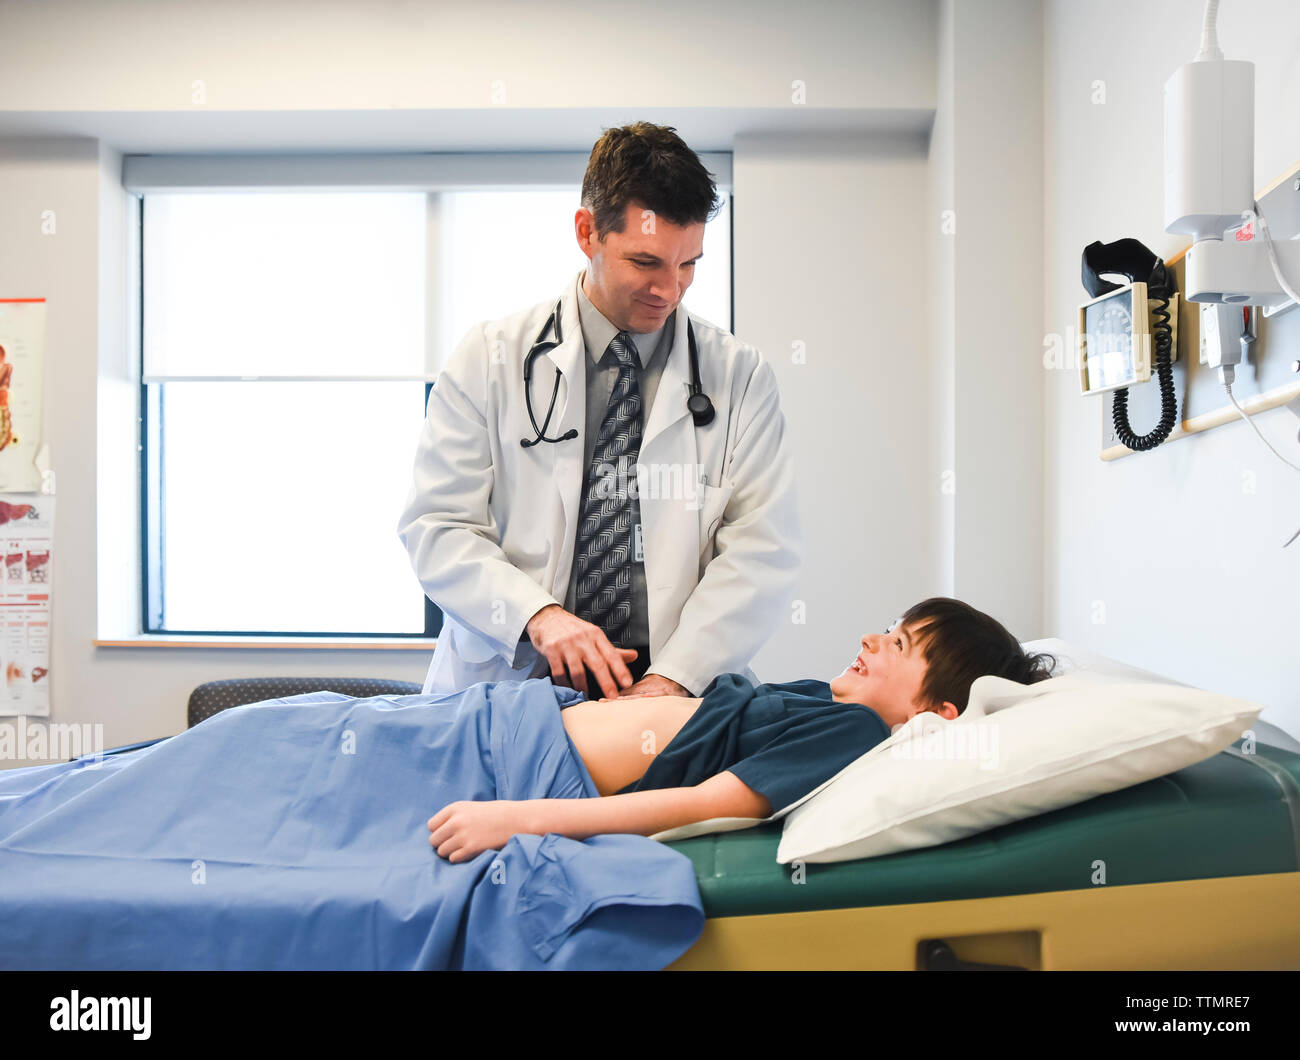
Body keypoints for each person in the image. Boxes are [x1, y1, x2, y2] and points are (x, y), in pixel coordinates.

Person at [397, 122, 801, 703]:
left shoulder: (739, 375)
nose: (671, 289)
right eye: (647, 261)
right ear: (588, 232)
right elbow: (437, 526)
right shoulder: (489, 358)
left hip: (670, 695)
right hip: (512, 684)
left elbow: (763, 548)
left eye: (689, 264)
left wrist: (672, 678)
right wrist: (539, 615)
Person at [428, 597, 1058, 861]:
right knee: (331, 729)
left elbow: (698, 804)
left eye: (897, 644)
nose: (870, 638)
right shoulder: (825, 702)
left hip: (527, 766)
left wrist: (516, 818)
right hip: (523, 718)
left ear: (933, 714)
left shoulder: (857, 733)